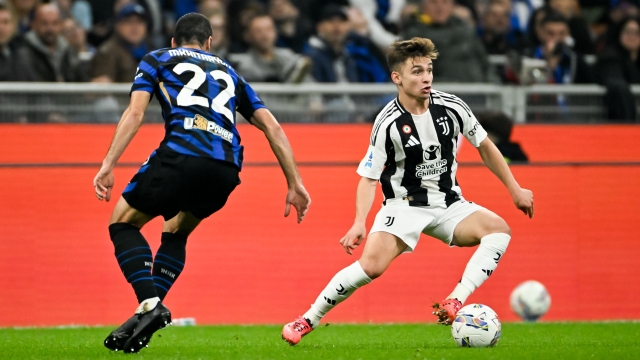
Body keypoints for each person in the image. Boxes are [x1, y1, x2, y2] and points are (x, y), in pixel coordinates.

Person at [281, 37, 534, 345]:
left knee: (498, 230)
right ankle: (307, 319)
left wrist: (515, 189)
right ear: (397, 78)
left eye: (429, 69)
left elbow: (485, 146)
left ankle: (455, 300)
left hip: (448, 202)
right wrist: (360, 221)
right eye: (416, 71)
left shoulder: (452, 107)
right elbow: (368, 178)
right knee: (371, 267)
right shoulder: (387, 123)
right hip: (403, 206)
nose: (426, 77)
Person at [93, 12, 311, 353]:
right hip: (226, 168)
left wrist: (108, 164)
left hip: (182, 153)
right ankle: (147, 312)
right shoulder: (230, 72)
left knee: (122, 224)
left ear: (173, 41)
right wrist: (294, 182)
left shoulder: (158, 59)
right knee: (177, 230)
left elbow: (134, 113)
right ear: (210, 42)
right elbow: (273, 128)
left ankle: (150, 304)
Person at [402, 0, 493, 82]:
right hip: (442, 93)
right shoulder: (415, 35)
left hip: (480, 91)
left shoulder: (465, 30)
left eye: (445, 2)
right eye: (434, 2)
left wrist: (493, 84)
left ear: (453, 6)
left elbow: (484, 63)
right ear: (424, 6)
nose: (440, 8)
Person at [228, 13, 311, 83]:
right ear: (248, 36)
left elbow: (310, 84)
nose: (265, 35)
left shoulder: (288, 56)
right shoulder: (242, 65)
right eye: (258, 31)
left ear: (275, 32)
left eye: (268, 29)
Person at [22, 3, 84, 82]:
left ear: (61, 25)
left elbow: (81, 81)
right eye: (44, 23)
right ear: (34, 25)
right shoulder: (24, 53)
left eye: (55, 23)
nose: (50, 29)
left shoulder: (69, 51)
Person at [90, 4, 149, 83]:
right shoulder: (108, 52)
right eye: (129, 22)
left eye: (139, 22)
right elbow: (102, 88)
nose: (135, 27)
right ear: (118, 25)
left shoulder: (152, 51)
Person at [597, 16, 640, 121]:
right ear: (619, 33)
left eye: (637, 32)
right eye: (627, 32)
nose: (632, 36)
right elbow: (616, 82)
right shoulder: (609, 57)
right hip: (618, 120)